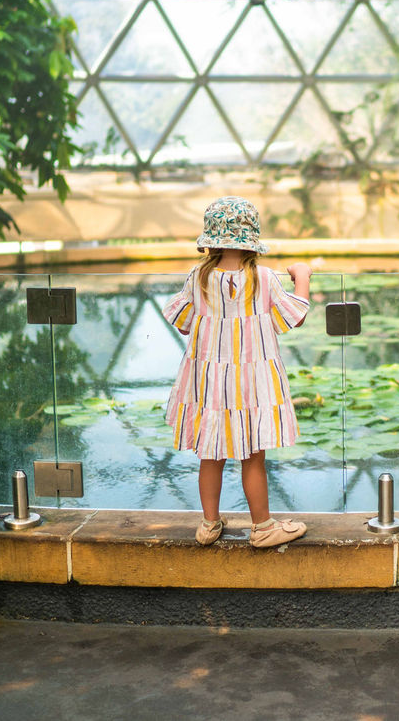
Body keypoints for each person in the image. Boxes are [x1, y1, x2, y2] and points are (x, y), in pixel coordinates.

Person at [162, 196, 314, 548]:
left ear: (211, 240)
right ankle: (262, 528)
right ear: (251, 241)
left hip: (209, 384)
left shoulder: (198, 277)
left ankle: (209, 524)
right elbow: (295, 315)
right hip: (250, 386)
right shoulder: (263, 279)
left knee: (210, 455)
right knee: (252, 456)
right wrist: (302, 275)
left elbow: (183, 325)